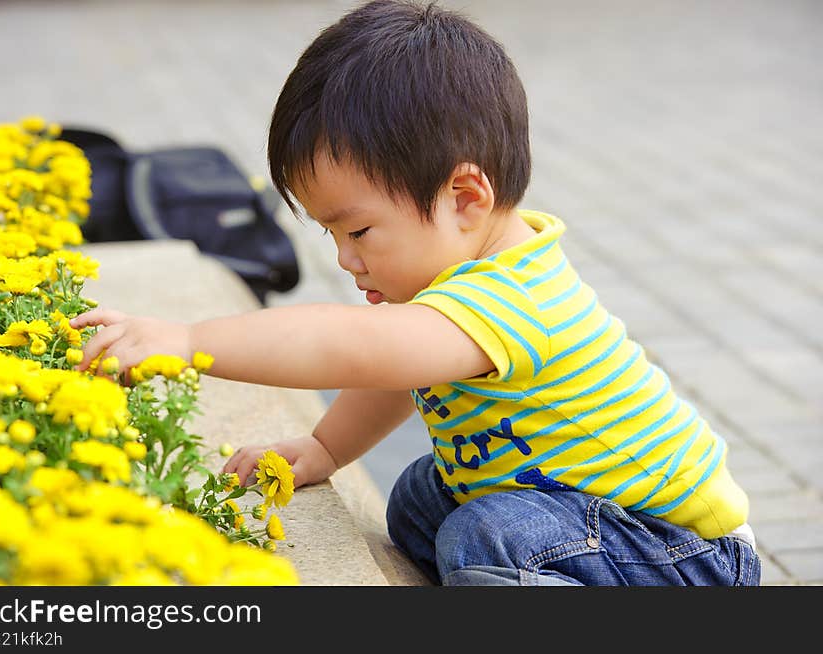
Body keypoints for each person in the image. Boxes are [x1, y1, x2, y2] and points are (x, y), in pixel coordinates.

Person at [70, 0, 760, 586]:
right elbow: (394, 371)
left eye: (360, 230)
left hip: (674, 549)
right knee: (419, 502)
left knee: (486, 537)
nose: (345, 259)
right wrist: (326, 450)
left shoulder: (513, 296)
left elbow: (353, 348)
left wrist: (190, 342)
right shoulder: (449, 281)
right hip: (574, 514)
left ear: (464, 195)